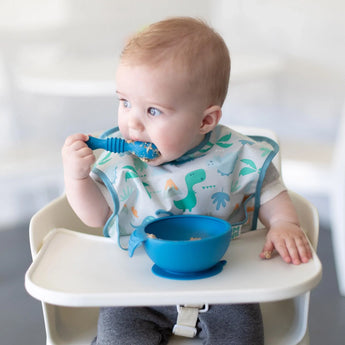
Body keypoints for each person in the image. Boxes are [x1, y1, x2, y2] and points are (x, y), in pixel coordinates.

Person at [62, 17, 312, 345]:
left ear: (206, 120)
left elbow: (269, 191)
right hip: (137, 290)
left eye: (153, 111)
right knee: (117, 335)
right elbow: (95, 216)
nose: (132, 123)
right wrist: (77, 176)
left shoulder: (237, 155)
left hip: (225, 286)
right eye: (124, 102)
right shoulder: (122, 162)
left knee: (244, 336)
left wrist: (283, 223)